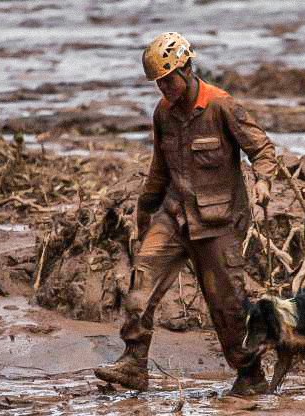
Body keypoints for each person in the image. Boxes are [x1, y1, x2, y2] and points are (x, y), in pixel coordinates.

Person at [95, 32, 277, 395]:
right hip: (173, 216)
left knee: (227, 308)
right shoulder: (163, 113)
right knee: (140, 283)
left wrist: (263, 184)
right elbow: (158, 169)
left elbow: (263, 150)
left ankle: (250, 375)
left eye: (168, 79)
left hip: (219, 222)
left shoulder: (222, 106)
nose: (163, 88)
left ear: (187, 68)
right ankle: (134, 362)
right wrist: (144, 211)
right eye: (158, 83)